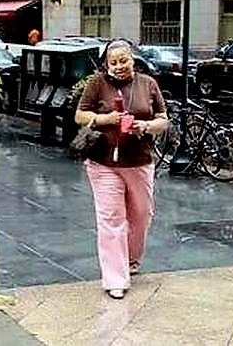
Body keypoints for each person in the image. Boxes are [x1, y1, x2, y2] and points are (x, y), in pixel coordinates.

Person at [75, 39, 168, 300]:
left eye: (123, 60)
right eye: (113, 62)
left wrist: (145, 126)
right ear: (106, 64)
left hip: (139, 161)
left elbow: (163, 119)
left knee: (141, 215)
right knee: (111, 219)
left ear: (132, 60)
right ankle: (115, 279)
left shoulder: (147, 84)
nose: (118, 66)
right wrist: (106, 119)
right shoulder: (97, 83)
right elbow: (80, 115)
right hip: (103, 162)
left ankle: (131, 259)